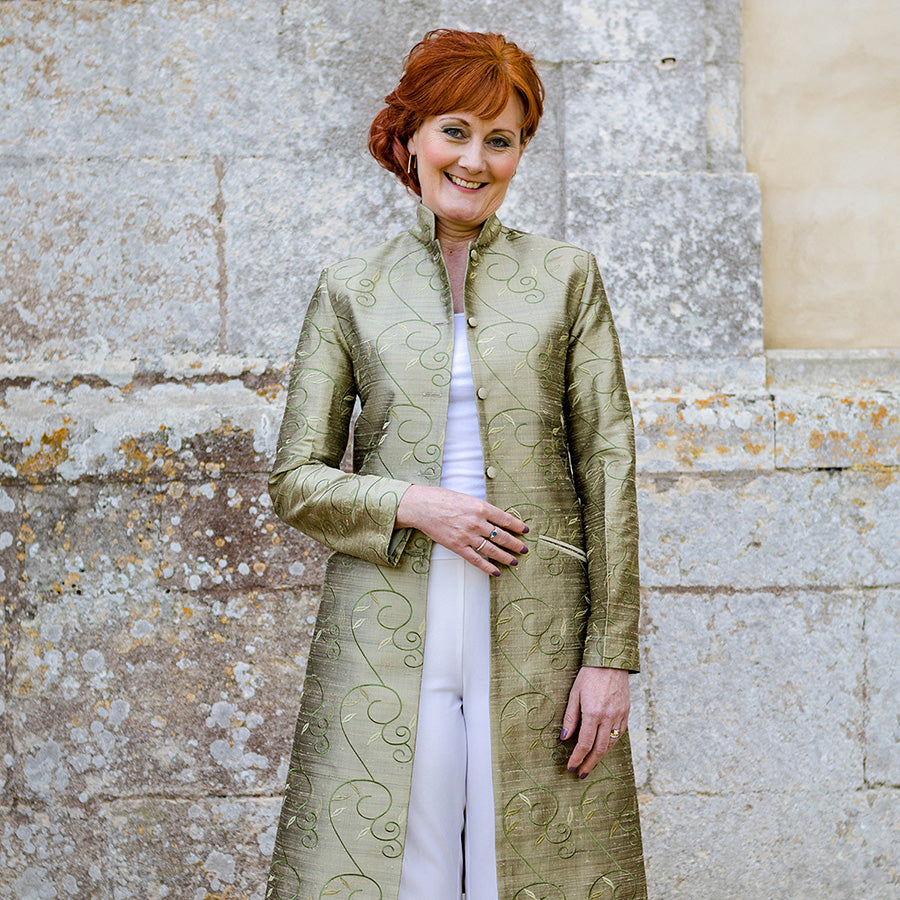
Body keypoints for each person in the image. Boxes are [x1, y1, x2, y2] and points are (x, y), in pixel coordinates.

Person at [266, 29, 646, 900]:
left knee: (534, 869)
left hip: (539, 621)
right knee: (408, 869)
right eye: (454, 130)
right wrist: (416, 505)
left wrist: (610, 655)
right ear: (409, 139)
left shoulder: (567, 279)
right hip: (390, 621)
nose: (475, 160)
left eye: (500, 139)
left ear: (519, 154)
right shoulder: (350, 286)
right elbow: (295, 478)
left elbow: (609, 467)